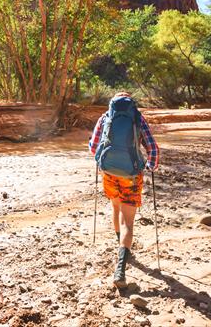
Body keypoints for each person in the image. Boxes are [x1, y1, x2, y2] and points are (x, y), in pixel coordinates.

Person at [89, 91, 159, 288]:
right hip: (131, 175)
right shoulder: (138, 118)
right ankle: (120, 269)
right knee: (128, 222)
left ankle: (122, 246)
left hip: (109, 172)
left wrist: (104, 162)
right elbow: (153, 149)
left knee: (115, 208)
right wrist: (149, 167)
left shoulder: (105, 117)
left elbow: (94, 147)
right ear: (131, 104)